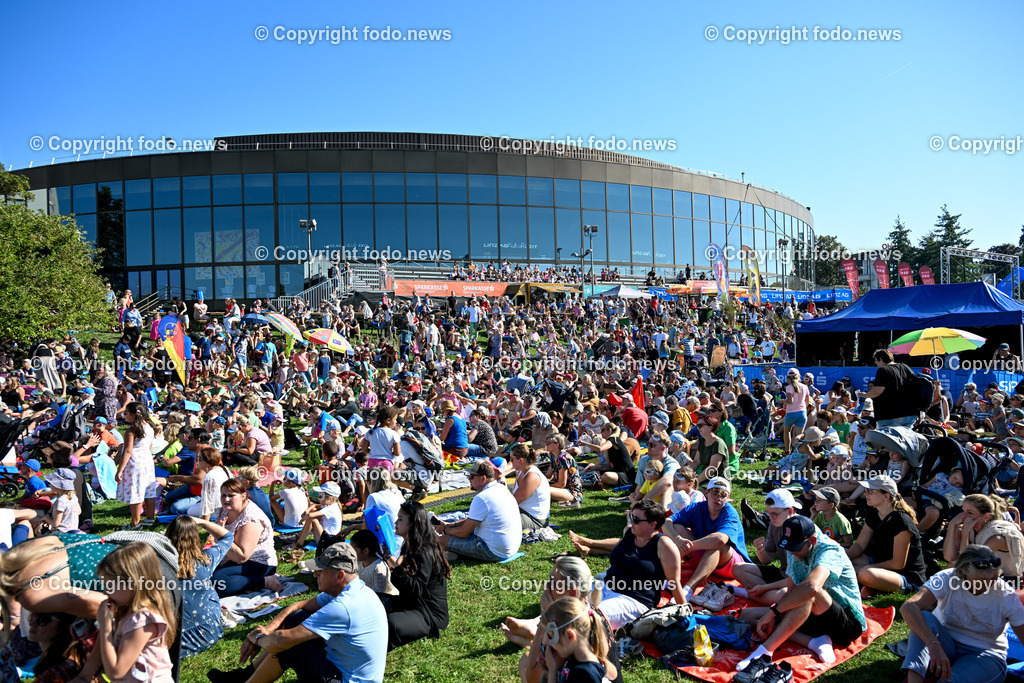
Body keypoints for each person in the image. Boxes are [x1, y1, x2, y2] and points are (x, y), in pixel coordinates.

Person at [210, 543, 387, 683]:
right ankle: (246, 675)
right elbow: (299, 606)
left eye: (321, 571)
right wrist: (268, 629)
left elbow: (281, 641)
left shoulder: (344, 606)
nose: (315, 574)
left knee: (290, 645)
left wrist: (256, 638)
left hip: (346, 679)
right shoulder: (353, 589)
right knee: (297, 618)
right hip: (342, 668)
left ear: (340, 576)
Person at [735, 515, 866, 672]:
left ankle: (765, 652)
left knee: (806, 593)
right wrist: (775, 614)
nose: (793, 552)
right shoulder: (795, 548)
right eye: (789, 547)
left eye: (797, 548)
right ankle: (814, 641)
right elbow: (791, 590)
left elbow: (811, 587)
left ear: (812, 541)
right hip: (815, 615)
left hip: (847, 623)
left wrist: (773, 613)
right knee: (746, 616)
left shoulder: (830, 550)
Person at [901, 544, 1024, 683]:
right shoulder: (947, 578)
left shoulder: (1004, 594)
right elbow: (908, 607)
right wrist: (933, 643)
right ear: (964, 570)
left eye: (995, 578)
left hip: (984, 653)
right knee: (923, 617)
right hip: (947, 643)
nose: (991, 584)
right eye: (983, 580)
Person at [567, 499, 686, 630]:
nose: (632, 521)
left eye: (636, 519)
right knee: (564, 598)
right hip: (606, 587)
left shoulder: (665, 546)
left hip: (634, 600)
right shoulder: (630, 533)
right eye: (631, 516)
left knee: (588, 618)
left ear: (653, 524)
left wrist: (686, 614)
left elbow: (674, 582)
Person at [75, 542, 177, 683]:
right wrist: (84, 677)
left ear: (133, 584)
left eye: (110, 586)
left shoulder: (144, 620)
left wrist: (106, 627)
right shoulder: (126, 611)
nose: (105, 592)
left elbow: (115, 672)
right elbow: (102, 648)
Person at [663, 477, 751, 604]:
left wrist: (690, 546)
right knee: (676, 528)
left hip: (730, 566)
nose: (718, 498)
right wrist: (678, 540)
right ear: (707, 493)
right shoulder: (696, 507)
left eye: (722, 495)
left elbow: (721, 539)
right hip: (703, 555)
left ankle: (688, 589)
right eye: (714, 493)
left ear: (728, 497)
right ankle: (666, 577)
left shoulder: (730, 512)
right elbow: (666, 522)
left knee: (717, 545)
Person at [845, 475, 926, 596]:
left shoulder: (901, 521)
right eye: (866, 491)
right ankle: (870, 587)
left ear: (886, 496)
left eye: (870, 491)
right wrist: (843, 559)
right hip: (879, 562)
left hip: (906, 575)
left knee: (865, 574)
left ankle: (870, 585)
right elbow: (859, 545)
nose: (865, 494)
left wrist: (864, 567)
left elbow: (897, 564)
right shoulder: (873, 513)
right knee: (843, 554)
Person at [165, 516, 234, 657]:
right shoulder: (206, 561)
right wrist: (203, 522)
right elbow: (227, 537)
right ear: (195, 538)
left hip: (173, 640)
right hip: (209, 632)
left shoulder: (157, 566)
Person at [385, 502, 450, 650]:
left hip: (429, 614)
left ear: (413, 523)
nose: (396, 523)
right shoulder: (410, 545)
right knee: (374, 602)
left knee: (390, 623)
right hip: (412, 604)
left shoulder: (424, 551)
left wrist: (397, 570)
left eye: (400, 519)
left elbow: (416, 589)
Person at [437, 460, 523, 563]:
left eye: (472, 476)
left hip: (493, 551)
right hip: (510, 548)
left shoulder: (482, 498)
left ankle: (449, 552)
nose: (469, 479)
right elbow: (471, 521)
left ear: (483, 479)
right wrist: (451, 525)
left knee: (440, 540)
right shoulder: (501, 488)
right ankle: (452, 552)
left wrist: (444, 530)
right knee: (450, 535)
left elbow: (463, 532)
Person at [211, 477, 281, 597]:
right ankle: (245, 585)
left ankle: (265, 581)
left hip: (258, 562)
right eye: (223, 495)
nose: (226, 499)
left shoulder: (251, 518)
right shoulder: (225, 510)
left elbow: (241, 557)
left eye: (231, 495)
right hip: (231, 559)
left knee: (219, 582)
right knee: (201, 573)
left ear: (243, 496)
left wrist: (222, 535)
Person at [533, 597, 616, 683]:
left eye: (551, 637)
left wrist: (552, 670)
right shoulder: (577, 661)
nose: (550, 644)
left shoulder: (585, 675)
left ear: (570, 636)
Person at [116, 401, 156, 530]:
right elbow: (149, 446)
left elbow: (128, 451)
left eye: (126, 413)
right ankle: (150, 518)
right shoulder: (149, 427)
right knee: (149, 490)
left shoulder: (131, 430)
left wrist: (120, 470)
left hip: (135, 462)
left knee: (136, 492)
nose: (124, 415)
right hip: (147, 460)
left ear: (133, 415)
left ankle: (135, 523)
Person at [859, 349, 918, 428]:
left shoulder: (883, 370)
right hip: (909, 414)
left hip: (889, 414)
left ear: (881, 359)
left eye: (876, 361)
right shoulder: (905, 367)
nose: (876, 364)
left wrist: (864, 395)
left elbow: (877, 391)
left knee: (890, 439)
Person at [510, 444, 551, 531]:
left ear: (521, 460)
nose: (510, 462)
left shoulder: (531, 477)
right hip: (523, 511)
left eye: (512, 459)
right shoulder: (521, 471)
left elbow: (513, 501)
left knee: (499, 517)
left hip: (536, 520)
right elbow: (512, 494)